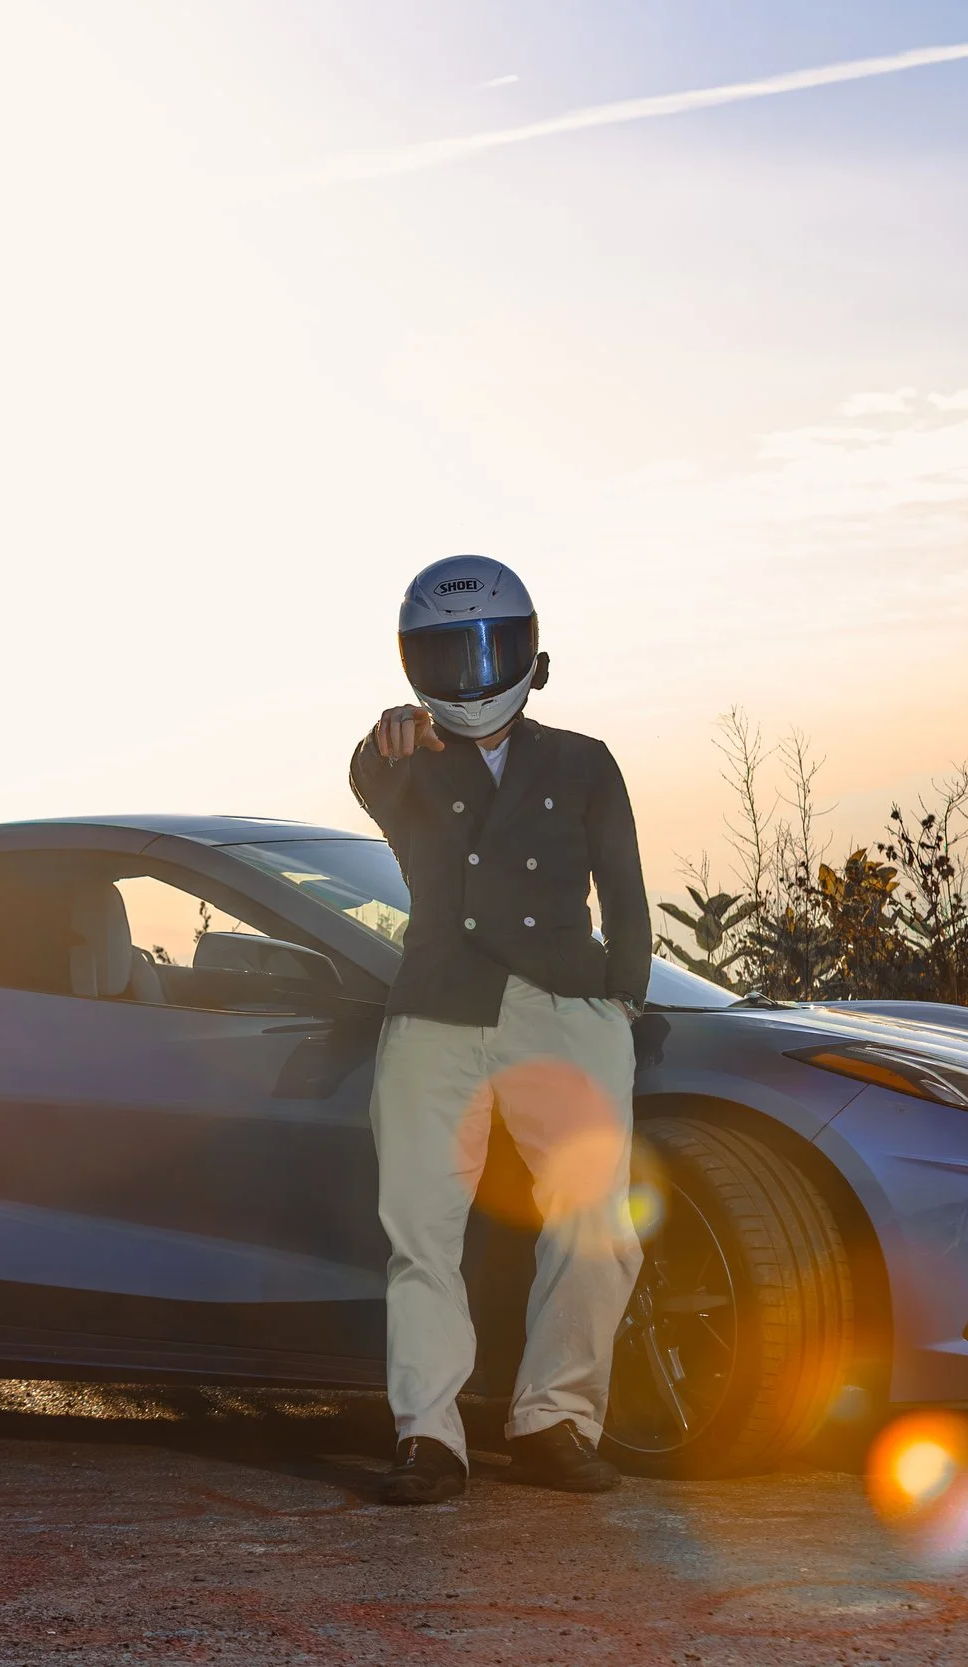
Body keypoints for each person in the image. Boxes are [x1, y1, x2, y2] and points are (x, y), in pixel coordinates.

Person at [347, 554, 649, 1506]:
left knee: (597, 1226)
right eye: (447, 654)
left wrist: (622, 1000)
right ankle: (429, 1437)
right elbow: (367, 774)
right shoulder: (402, 763)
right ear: (414, 664)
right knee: (421, 1233)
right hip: (436, 1008)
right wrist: (388, 737)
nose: (471, 674)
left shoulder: (586, 760)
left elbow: (626, 891)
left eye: (486, 649)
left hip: (564, 1006)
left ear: (527, 650)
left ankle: (556, 1421)